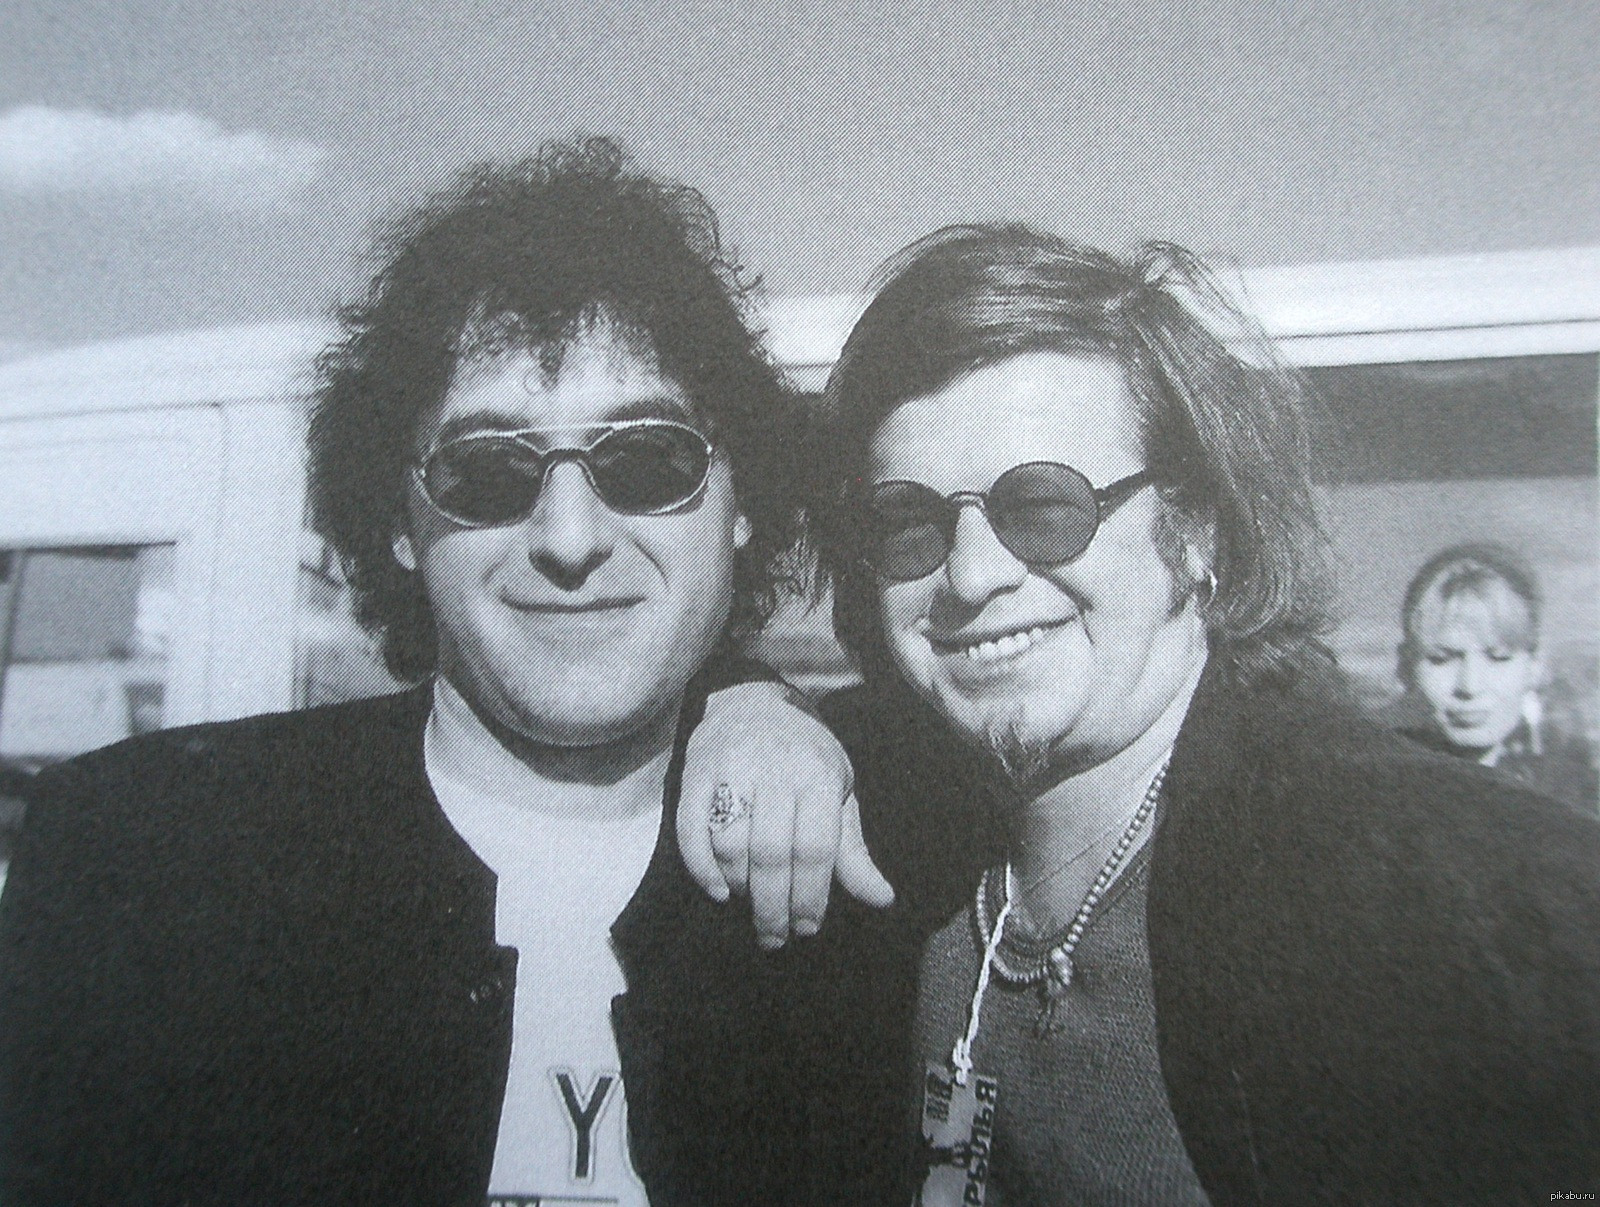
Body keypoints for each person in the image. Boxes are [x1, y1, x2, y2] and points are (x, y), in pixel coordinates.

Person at [0, 138, 881, 1206]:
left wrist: (762, 698)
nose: (569, 537)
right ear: (399, 522)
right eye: (486, 470)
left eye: (647, 460)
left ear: (743, 502)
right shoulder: (142, 862)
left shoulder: (882, 866)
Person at [810, 225, 1600, 1204]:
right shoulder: (876, 839)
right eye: (910, 524)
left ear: (1196, 533)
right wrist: (752, 711)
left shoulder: (1439, 898)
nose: (971, 575)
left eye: (1043, 506)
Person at [1396, 542, 1598, 814]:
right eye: (1442, 658)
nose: (1469, 686)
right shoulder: (1372, 793)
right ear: (1406, 667)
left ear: (1534, 666)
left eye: (1498, 658)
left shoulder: (1574, 797)